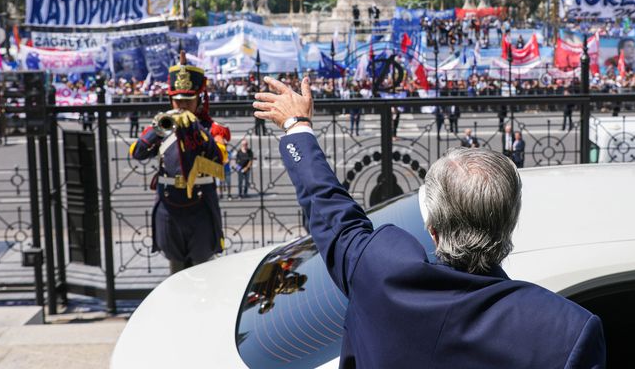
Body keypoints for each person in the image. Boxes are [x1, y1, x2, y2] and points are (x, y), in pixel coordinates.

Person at [251, 76, 605, 368]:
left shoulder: (378, 270)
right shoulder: (566, 330)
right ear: (509, 224)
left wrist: (296, 125)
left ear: (432, 231)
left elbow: (329, 209)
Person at [130, 55, 231, 274]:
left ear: (199, 98)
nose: (182, 105)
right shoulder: (163, 124)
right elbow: (137, 153)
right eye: (177, 100)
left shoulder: (212, 129)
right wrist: (158, 130)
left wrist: (196, 130)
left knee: (203, 269)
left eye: (188, 99)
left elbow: (219, 160)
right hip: (169, 204)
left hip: (200, 204)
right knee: (175, 270)